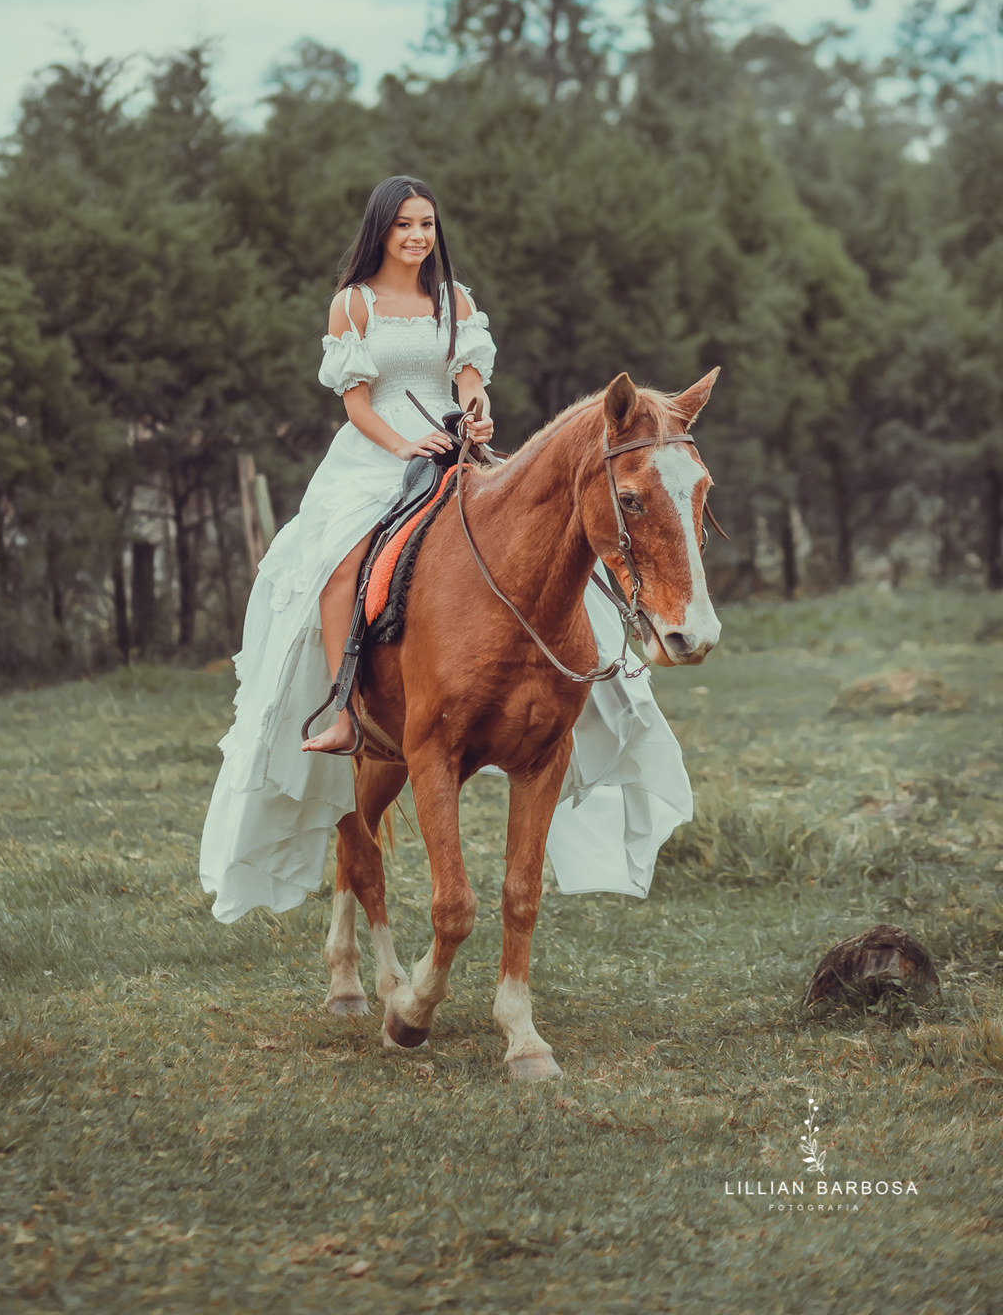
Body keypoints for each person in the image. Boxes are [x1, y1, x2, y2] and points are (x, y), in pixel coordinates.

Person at [198, 175, 692, 923]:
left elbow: (468, 376)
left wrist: (475, 411)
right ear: (381, 230)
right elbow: (356, 402)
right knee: (340, 568)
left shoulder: (455, 299)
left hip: (452, 449)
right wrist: (406, 443)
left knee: (548, 547)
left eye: (427, 224)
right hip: (376, 455)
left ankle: (599, 673)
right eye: (404, 225)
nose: (418, 237)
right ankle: (343, 708)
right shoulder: (354, 303)